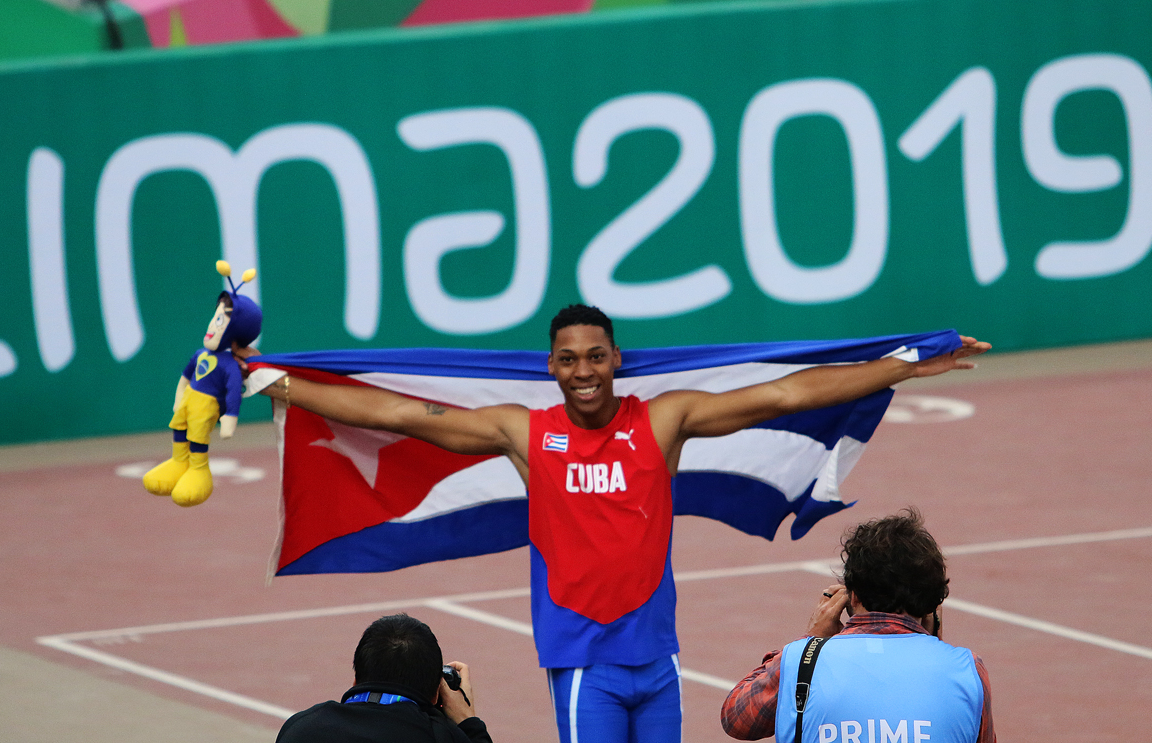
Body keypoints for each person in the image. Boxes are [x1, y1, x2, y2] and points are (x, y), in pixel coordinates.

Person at [247, 305, 990, 743]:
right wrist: (269, 379)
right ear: (550, 366)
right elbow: (402, 414)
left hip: (655, 661)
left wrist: (903, 366)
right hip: (582, 664)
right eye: (568, 359)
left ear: (616, 360)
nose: (583, 371)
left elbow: (785, 396)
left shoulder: (662, 423)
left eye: (596, 357)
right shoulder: (526, 434)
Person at [720, 508, 995, 743]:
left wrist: (811, 642)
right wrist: (936, 642)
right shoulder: (968, 670)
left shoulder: (801, 662)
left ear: (851, 595)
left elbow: (737, 718)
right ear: (932, 604)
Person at [273, 613, 492, 743]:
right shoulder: (441, 736)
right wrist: (468, 723)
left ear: (356, 682)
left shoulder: (301, 728)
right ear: (437, 693)